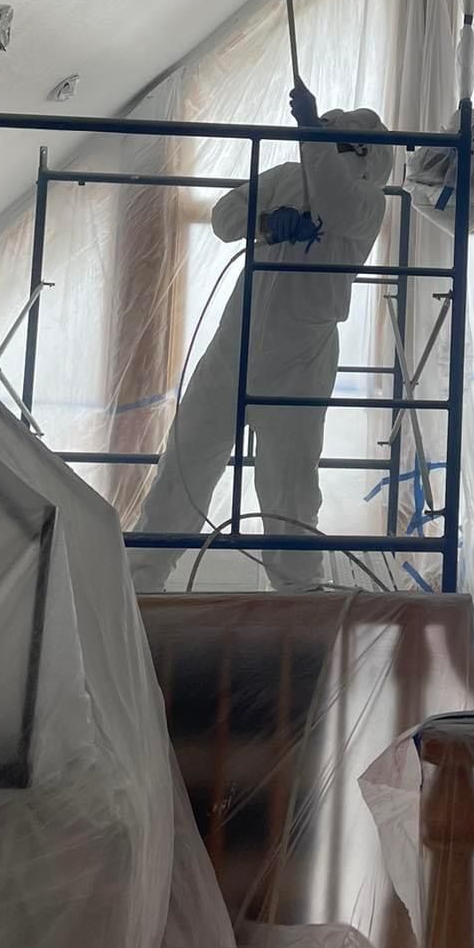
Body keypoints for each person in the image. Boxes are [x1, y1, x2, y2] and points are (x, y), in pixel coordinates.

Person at [128, 83, 394, 593]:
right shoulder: (287, 177)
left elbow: (333, 199)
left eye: (339, 143)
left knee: (289, 483)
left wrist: (310, 130)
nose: (330, 151)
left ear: (364, 156)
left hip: (303, 356)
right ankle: (142, 583)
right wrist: (267, 222)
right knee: (187, 460)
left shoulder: (367, 203)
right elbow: (226, 218)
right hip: (237, 344)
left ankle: (296, 592)